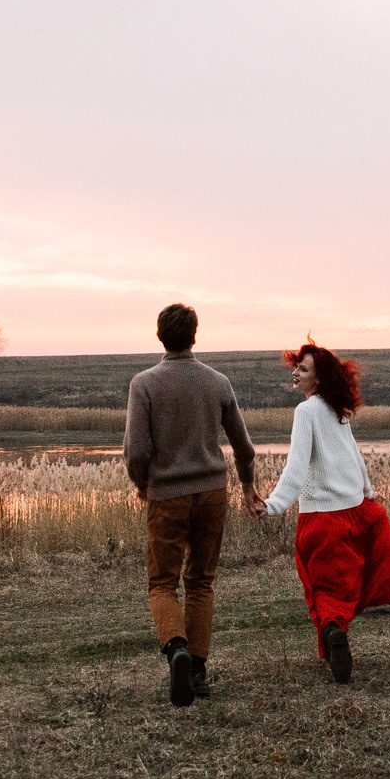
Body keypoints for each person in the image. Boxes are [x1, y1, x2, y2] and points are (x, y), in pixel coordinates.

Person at [124, 303, 256, 708]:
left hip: (167, 495)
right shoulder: (218, 382)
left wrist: (142, 483)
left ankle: (176, 648)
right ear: (194, 336)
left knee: (163, 582)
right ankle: (197, 673)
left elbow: (136, 450)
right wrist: (248, 486)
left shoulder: (144, 384)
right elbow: (243, 447)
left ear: (160, 336)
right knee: (201, 580)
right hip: (213, 493)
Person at [253, 341, 390, 683]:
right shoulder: (337, 410)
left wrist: (273, 505)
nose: (295, 373)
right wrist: (367, 491)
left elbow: (297, 465)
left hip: (322, 518)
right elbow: (354, 455)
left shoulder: (307, 412)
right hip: (357, 513)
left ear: (317, 380)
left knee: (323, 588)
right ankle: (336, 633)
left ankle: (334, 632)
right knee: (346, 583)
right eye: (296, 367)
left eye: (303, 370)